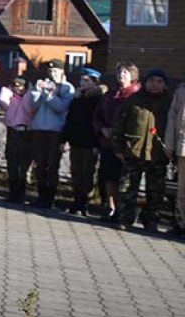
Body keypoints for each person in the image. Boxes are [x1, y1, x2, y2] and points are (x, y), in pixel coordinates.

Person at [114, 69, 171, 232]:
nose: (155, 84)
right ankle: (125, 218)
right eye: (152, 81)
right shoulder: (134, 100)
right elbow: (119, 122)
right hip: (134, 151)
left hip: (158, 153)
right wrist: (118, 146)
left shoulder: (169, 102)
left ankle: (151, 220)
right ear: (145, 82)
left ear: (165, 85)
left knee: (155, 192)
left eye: (159, 82)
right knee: (127, 189)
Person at [94, 63, 139, 221]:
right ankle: (111, 207)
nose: (121, 75)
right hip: (108, 142)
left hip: (127, 145)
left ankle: (125, 211)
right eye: (119, 72)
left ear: (133, 76)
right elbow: (97, 116)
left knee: (125, 180)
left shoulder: (136, 96)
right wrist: (102, 129)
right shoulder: (110, 95)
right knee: (109, 176)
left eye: (125, 72)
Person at [28, 59, 75, 209]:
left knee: (52, 166)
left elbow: (61, 107)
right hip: (39, 128)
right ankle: (41, 196)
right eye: (50, 71)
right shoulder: (44, 84)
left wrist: (48, 95)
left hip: (55, 131)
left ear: (62, 71)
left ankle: (50, 198)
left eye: (55, 71)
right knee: (40, 165)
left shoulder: (67, 88)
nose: (52, 74)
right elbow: (33, 106)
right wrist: (37, 91)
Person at [64, 68, 104, 216]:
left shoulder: (98, 99)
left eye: (86, 80)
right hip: (76, 140)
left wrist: (96, 144)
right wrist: (64, 139)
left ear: (95, 82)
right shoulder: (77, 98)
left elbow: (98, 121)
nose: (82, 83)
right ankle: (76, 202)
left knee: (87, 173)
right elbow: (70, 119)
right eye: (81, 80)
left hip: (90, 142)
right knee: (76, 172)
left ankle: (84, 203)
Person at [0, 75, 36, 204]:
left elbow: (30, 109)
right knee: (12, 163)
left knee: (23, 165)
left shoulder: (29, 98)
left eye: (21, 86)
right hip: (12, 131)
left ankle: (21, 193)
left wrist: (26, 95)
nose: (17, 88)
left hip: (25, 132)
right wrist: (6, 93)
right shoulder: (11, 98)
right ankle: (13, 192)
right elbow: (3, 103)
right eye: (15, 85)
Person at [164, 77, 185, 237]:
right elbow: (172, 118)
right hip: (182, 148)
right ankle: (181, 223)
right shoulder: (181, 91)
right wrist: (169, 145)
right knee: (182, 189)